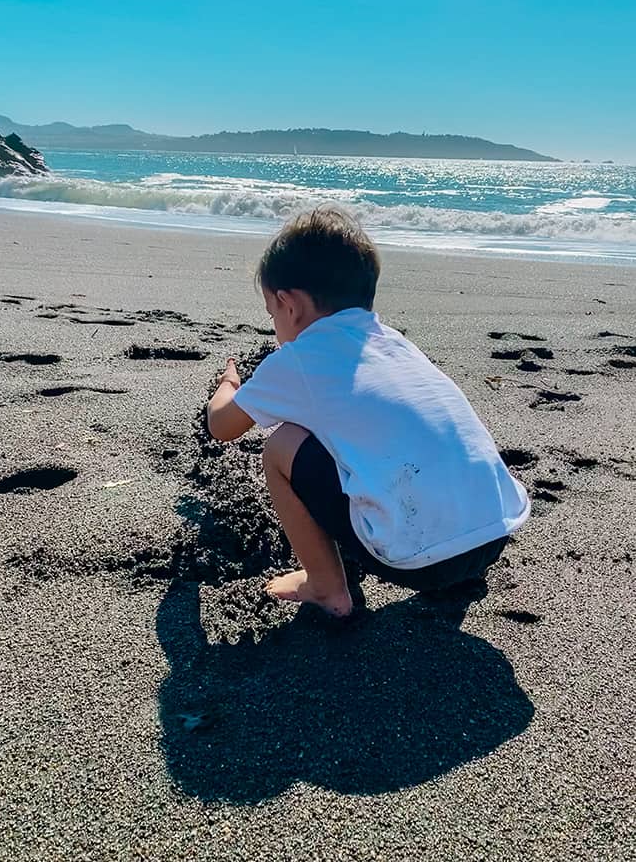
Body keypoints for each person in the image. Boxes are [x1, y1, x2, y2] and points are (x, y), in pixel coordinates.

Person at [206, 207, 530, 618]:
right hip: (494, 532)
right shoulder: (394, 344)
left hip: (419, 561)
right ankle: (460, 573)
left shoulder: (299, 359)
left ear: (288, 304)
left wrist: (229, 384)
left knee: (282, 446)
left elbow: (221, 426)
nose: (276, 327)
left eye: (272, 315)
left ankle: (326, 587)